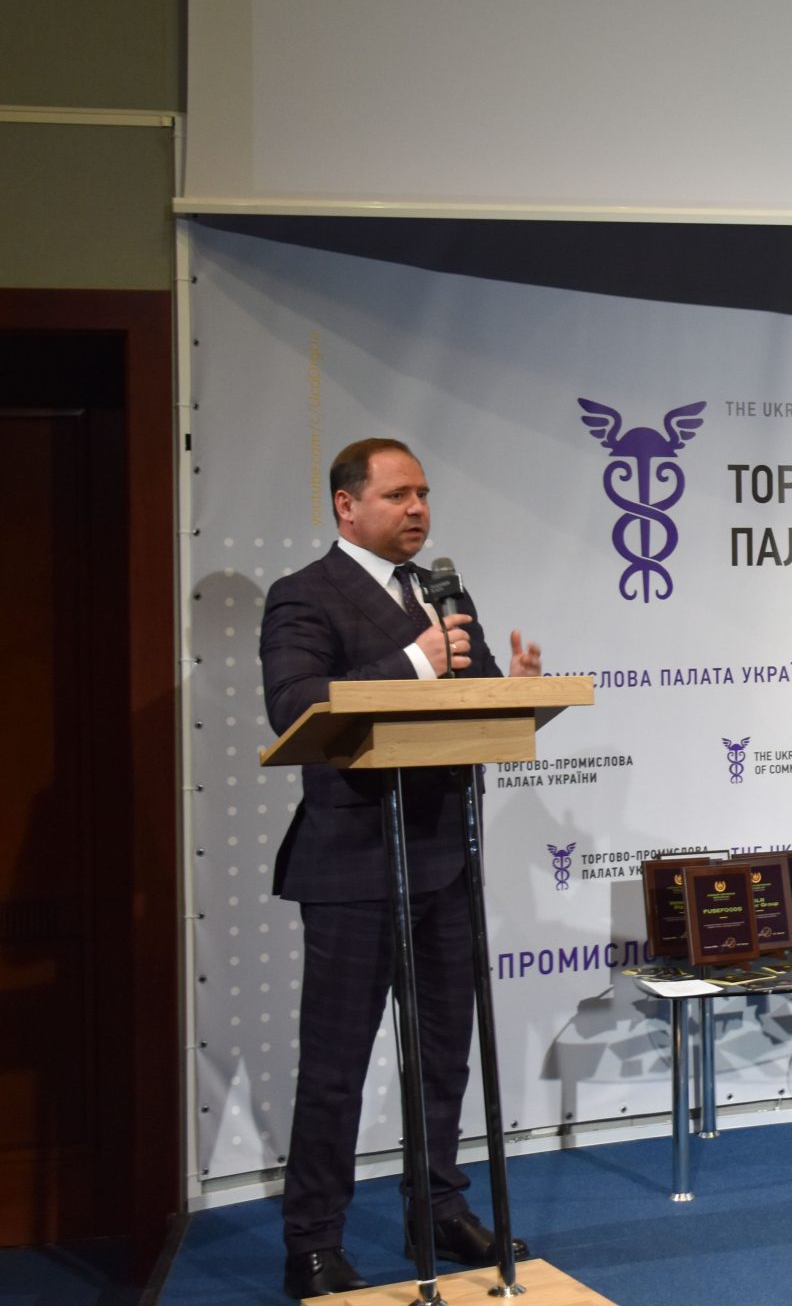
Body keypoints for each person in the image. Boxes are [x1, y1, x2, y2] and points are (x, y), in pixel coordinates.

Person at [260, 439, 541, 1298]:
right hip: (352, 866)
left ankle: (438, 1208)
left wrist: (517, 692)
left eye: (423, 493)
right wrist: (418, 659)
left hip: (446, 860)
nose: (417, 508)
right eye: (397, 495)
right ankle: (313, 1241)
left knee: (444, 1057)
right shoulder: (304, 594)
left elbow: (477, 704)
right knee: (336, 1068)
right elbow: (296, 704)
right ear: (347, 506)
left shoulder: (443, 594)